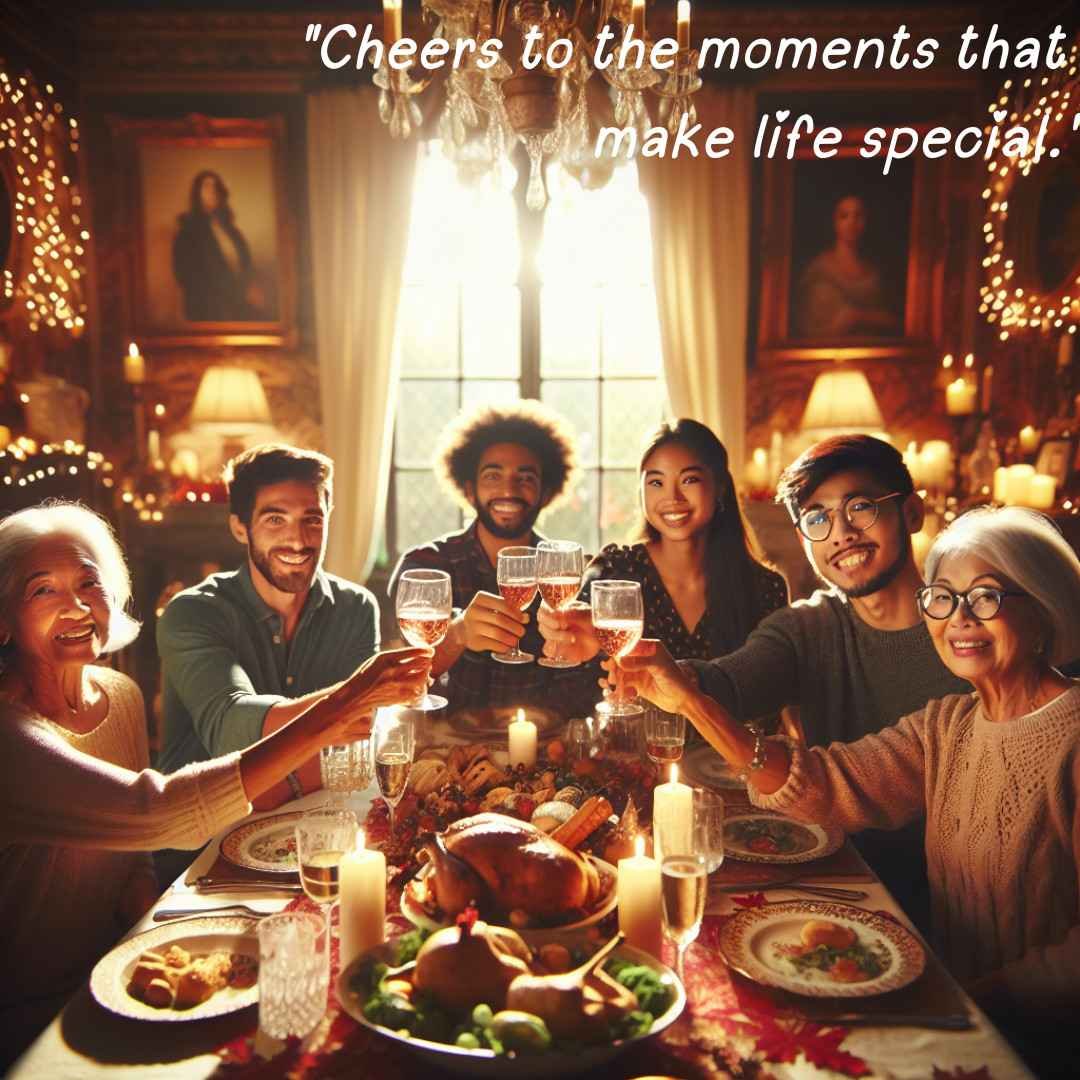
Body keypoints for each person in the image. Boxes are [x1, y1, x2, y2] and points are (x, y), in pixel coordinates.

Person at [616, 506, 1080, 1076]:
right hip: (955, 1009)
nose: (958, 619)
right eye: (942, 597)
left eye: (985, 597)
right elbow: (823, 787)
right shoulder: (949, 723)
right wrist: (691, 702)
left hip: (1040, 1044)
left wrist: (973, 996)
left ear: (1044, 608)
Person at [0, 502, 431, 1065]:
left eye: (89, 581)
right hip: (28, 1014)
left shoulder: (118, 696)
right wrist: (342, 702)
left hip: (115, 975)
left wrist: (146, 940)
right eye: (43, 591)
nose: (78, 605)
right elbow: (152, 812)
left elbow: (131, 855)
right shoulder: (11, 736)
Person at [586, 434, 972, 927]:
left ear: (912, 513)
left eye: (861, 508)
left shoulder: (966, 632)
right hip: (833, 872)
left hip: (948, 897)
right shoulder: (808, 627)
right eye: (817, 519)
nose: (841, 533)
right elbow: (729, 683)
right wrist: (667, 676)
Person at [157, 444, 382, 894]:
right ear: (240, 527)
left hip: (312, 839)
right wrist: (360, 694)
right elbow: (230, 728)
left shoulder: (357, 608)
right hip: (199, 853)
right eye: (274, 519)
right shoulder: (193, 613)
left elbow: (355, 746)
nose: (297, 541)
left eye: (311, 519)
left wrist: (277, 782)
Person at [389, 401, 595, 715]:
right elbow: (397, 677)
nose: (509, 490)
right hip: (447, 751)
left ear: (546, 493)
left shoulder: (566, 575)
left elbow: (586, 692)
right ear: (469, 490)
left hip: (548, 752)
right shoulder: (426, 564)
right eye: (492, 476)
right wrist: (457, 635)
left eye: (525, 478)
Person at [539, 419, 787, 665]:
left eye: (689, 480)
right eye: (656, 482)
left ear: (720, 487)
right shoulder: (613, 571)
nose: (672, 497)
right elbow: (574, 672)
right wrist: (561, 636)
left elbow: (772, 694)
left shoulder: (765, 588)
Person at [794, 194, 898, 339]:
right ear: (834, 222)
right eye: (844, 216)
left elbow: (892, 319)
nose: (852, 222)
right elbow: (805, 325)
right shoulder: (818, 270)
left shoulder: (874, 273)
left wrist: (858, 317)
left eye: (858, 216)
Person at [172, 170, 267, 322]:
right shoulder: (188, 231)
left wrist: (249, 287)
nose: (212, 191)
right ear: (197, 193)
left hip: (239, 304)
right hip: (208, 308)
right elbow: (184, 274)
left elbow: (246, 263)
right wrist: (229, 291)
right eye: (207, 186)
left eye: (216, 187)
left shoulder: (231, 231)